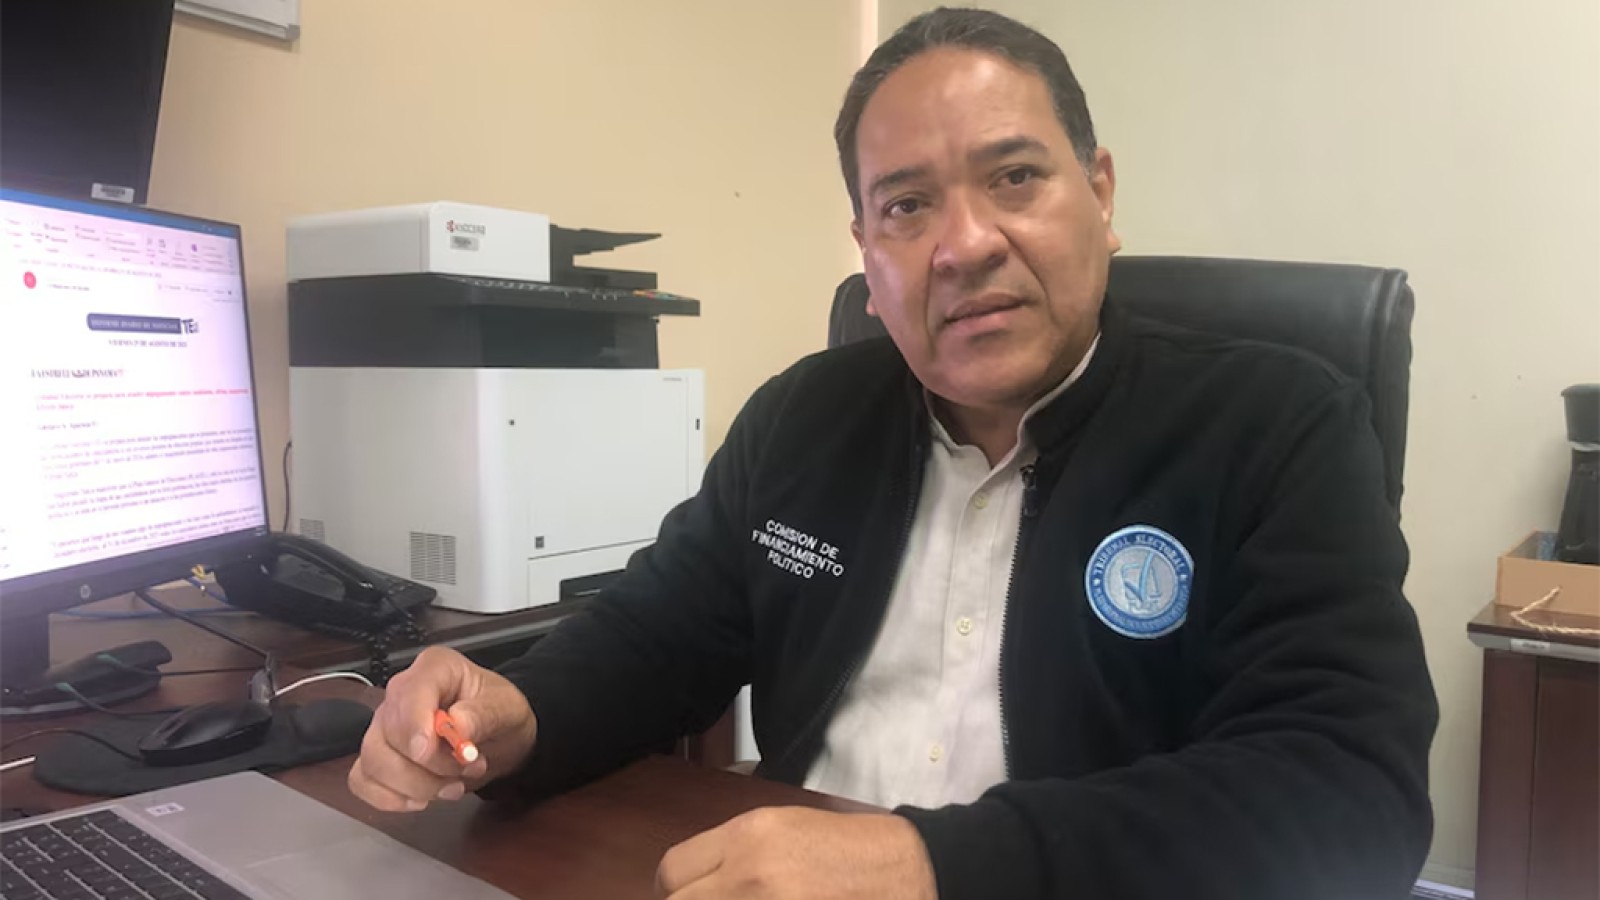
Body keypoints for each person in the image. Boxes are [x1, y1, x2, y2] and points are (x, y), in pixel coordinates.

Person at [349, 8, 1439, 899]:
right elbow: (655, 637)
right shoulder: (803, 419)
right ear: (867, 253)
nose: (963, 245)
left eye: (1015, 178)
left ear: (1100, 194)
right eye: (907, 206)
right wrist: (520, 713)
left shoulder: (1276, 425)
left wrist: (932, 866)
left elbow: (1346, 794)